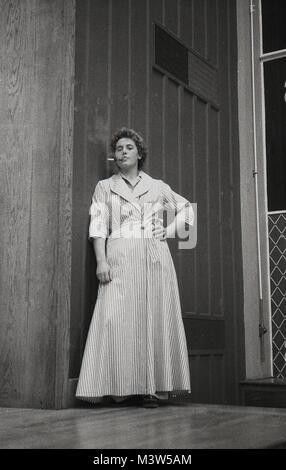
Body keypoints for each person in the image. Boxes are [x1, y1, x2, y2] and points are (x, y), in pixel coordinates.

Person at [76, 127, 194, 408]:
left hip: (154, 259)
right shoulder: (105, 187)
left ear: (139, 154)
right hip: (119, 256)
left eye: (129, 147)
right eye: (118, 149)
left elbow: (189, 211)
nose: (123, 152)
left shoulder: (158, 186)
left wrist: (169, 229)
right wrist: (101, 260)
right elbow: (97, 227)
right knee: (114, 319)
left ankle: (151, 389)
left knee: (152, 318)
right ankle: (116, 387)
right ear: (114, 157)